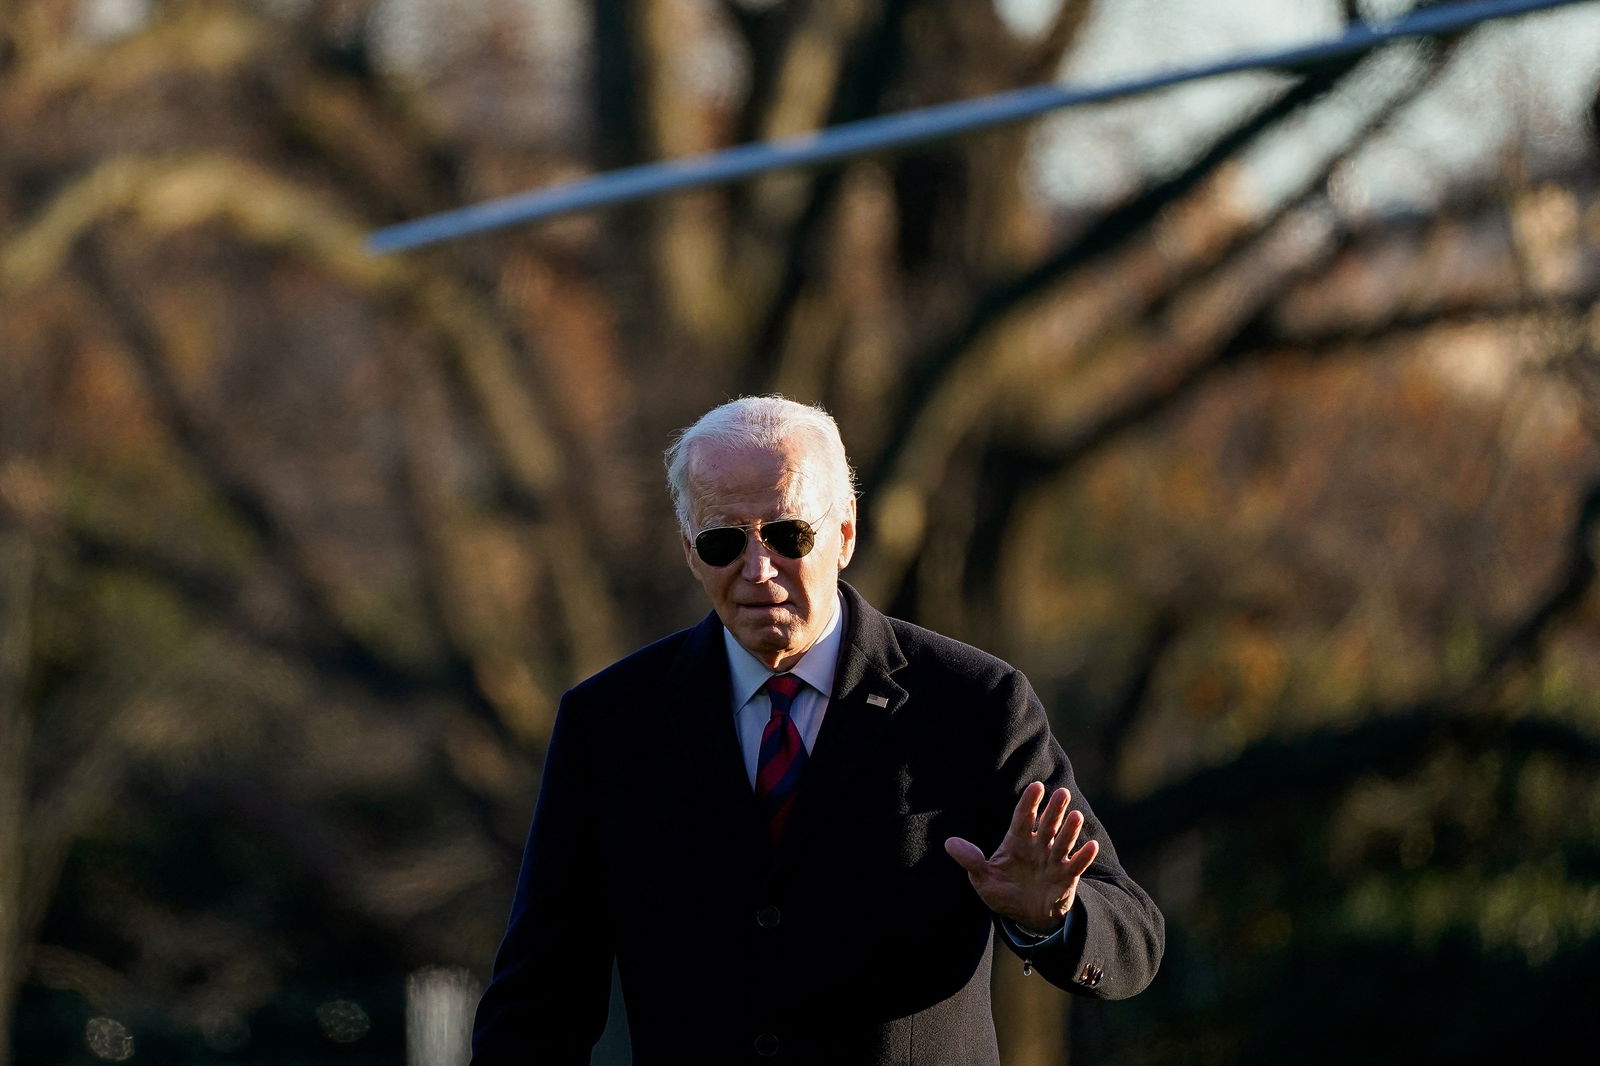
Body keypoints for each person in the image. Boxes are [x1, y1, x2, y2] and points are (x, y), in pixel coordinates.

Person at [470, 396, 1163, 1065]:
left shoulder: (972, 702)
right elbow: (539, 1000)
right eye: (722, 542)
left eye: (786, 534)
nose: (758, 570)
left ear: (846, 534)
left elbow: (1131, 937)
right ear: (689, 550)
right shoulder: (611, 724)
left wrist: (1052, 921)